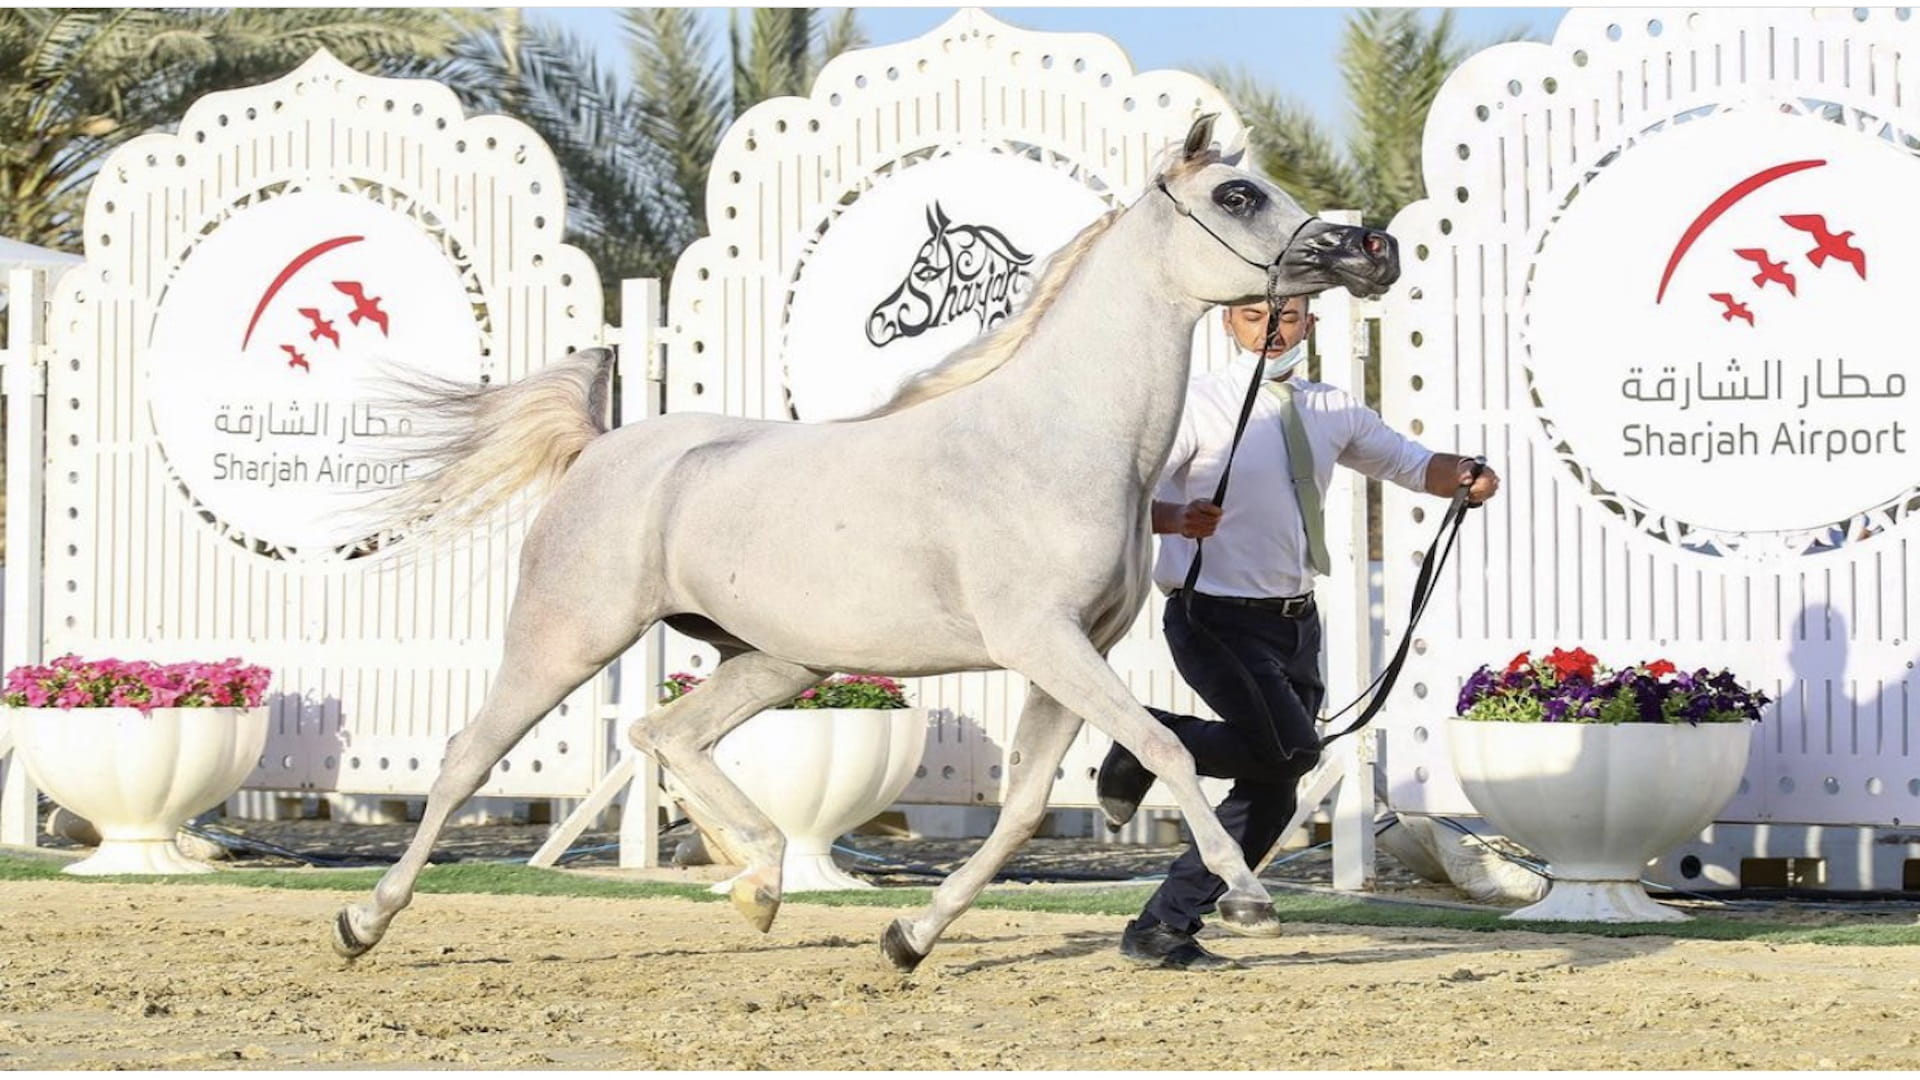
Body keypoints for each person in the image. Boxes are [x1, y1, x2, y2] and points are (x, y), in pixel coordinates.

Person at [1099, 293, 1500, 971]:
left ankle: (1161, 927)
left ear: (1307, 325)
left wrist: (1464, 475)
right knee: (1291, 753)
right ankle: (1145, 740)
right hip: (1211, 613)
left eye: (1285, 316)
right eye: (1254, 316)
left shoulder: (1330, 406)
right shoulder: (1192, 404)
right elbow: (1124, 492)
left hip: (1295, 622)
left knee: (1274, 781)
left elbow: (1411, 463)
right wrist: (1175, 520)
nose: (1270, 329)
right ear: (1228, 323)